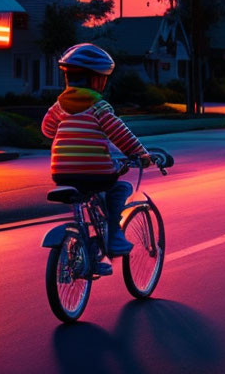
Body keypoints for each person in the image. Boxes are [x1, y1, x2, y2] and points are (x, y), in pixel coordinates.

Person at [42, 43, 152, 274]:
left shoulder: (58, 106)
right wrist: (141, 154)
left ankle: (85, 246)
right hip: (96, 172)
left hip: (61, 172)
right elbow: (120, 134)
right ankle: (113, 235)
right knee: (120, 187)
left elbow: (47, 130)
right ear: (95, 80)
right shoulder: (99, 107)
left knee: (83, 199)